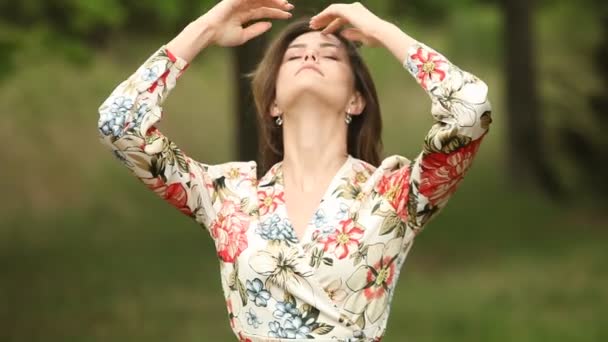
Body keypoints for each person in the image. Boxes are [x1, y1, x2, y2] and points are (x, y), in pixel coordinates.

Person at [97, 0, 492, 341]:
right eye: (294, 54)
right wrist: (205, 28)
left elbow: (471, 111)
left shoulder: (394, 192)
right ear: (272, 104)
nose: (310, 56)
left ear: (356, 100)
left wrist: (383, 31)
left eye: (330, 54)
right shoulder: (226, 194)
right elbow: (120, 126)